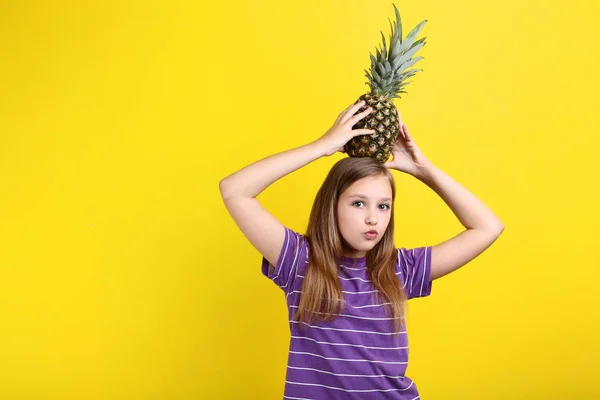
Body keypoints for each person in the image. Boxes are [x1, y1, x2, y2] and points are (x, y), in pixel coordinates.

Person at [219, 100, 504, 399]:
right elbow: (235, 190)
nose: (373, 217)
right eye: (358, 203)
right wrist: (322, 146)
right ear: (333, 206)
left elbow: (488, 227)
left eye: (383, 206)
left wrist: (424, 170)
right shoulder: (300, 261)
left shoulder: (402, 268)